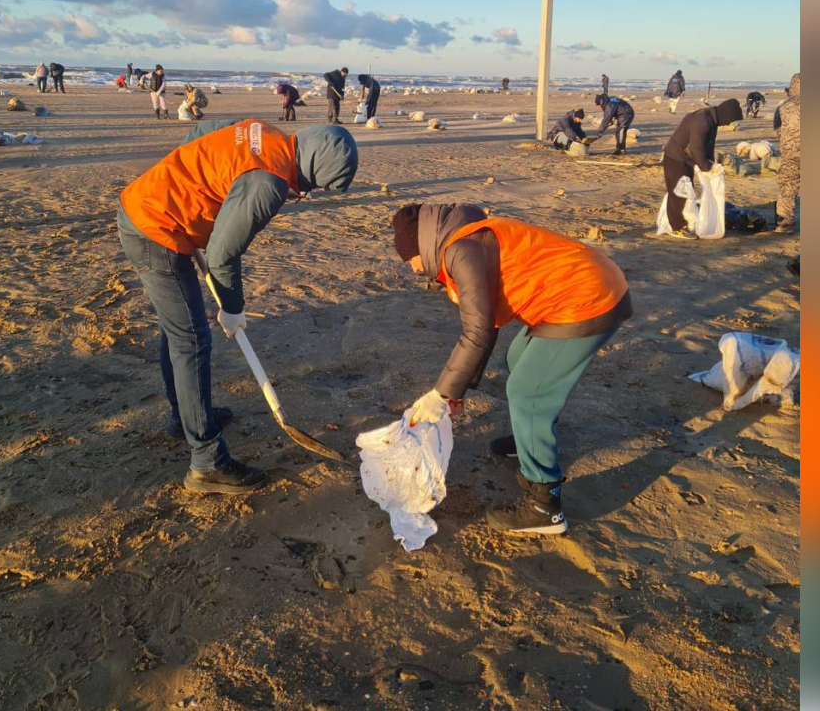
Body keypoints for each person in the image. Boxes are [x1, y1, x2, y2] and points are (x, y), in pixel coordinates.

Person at [118, 121, 360, 494]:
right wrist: (233, 307)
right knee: (192, 340)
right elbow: (221, 254)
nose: (310, 193)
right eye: (320, 186)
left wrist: (187, 187)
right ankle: (206, 462)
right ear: (314, 172)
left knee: (178, 330)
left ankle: (184, 416)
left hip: (149, 207)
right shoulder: (269, 183)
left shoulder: (266, 132)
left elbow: (201, 133)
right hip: (155, 229)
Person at [392, 203, 633, 534]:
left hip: (588, 299)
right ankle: (530, 439)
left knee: (527, 392)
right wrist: (455, 392)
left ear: (420, 244)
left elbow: (476, 332)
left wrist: (441, 394)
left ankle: (544, 504)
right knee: (519, 358)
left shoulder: (461, 251)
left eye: (410, 261)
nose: (413, 269)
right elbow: (486, 324)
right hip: (585, 286)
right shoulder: (468, 238)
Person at [659, 99, 744, 236]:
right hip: (675, 157)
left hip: (686, 159)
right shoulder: (702, 120)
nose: (728, 123)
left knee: (687, 189)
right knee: (679, 192)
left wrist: (711, 163)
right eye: (730, 120)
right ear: (726, 114)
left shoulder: (712, 119)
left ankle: (683, 222)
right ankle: (677, 227)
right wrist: (705, 166)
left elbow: (708, 145)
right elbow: (696, 147)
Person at [775, 73, 800, 234]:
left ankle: (785, 222)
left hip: (790, 152)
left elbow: (777, 129)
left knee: (788, 185)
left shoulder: (783, 106)